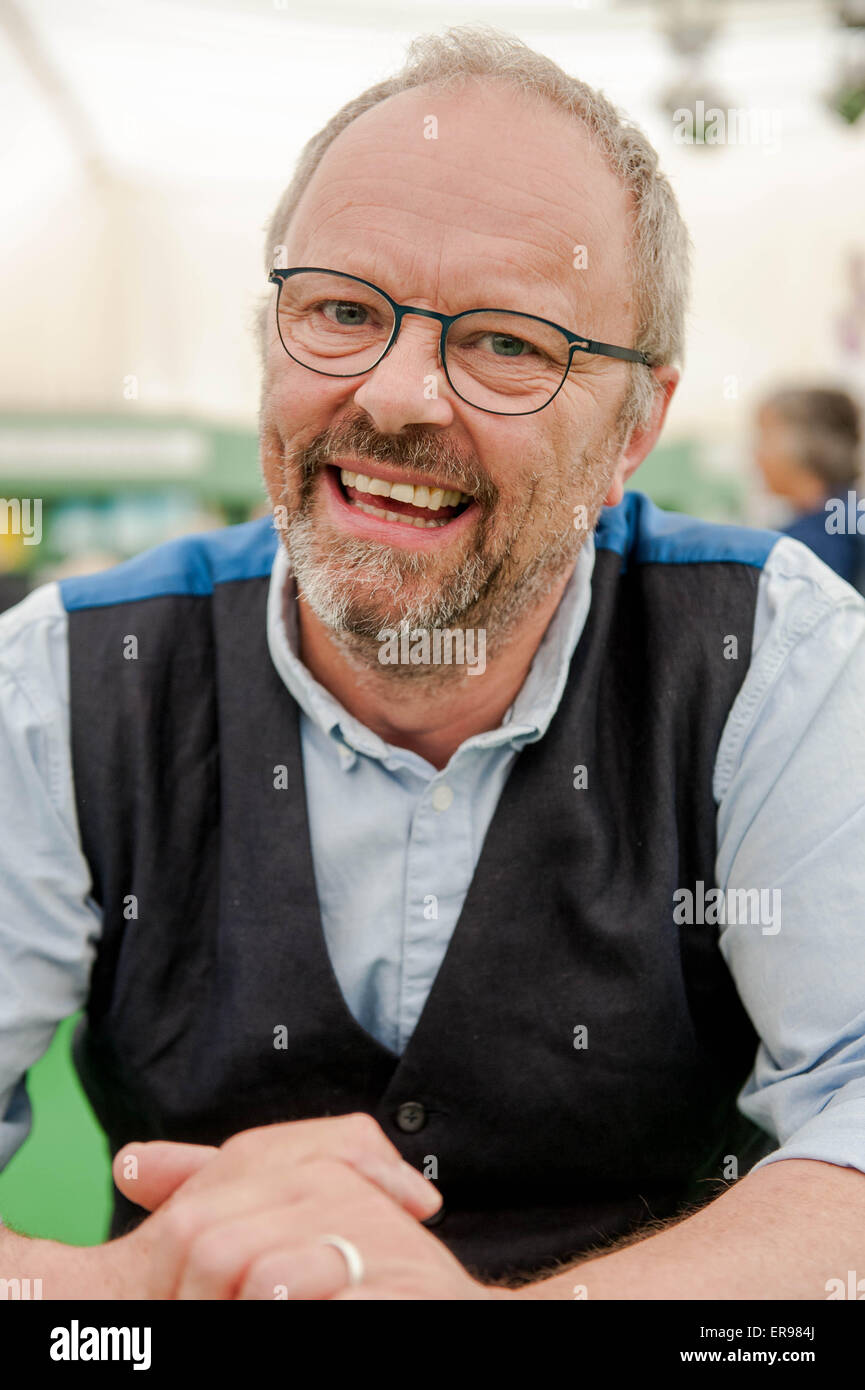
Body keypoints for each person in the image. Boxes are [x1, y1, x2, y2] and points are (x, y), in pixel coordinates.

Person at [1, 26, 864, 1302]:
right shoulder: (65, 678)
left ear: (637, 429)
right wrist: (114, 1309)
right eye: (342, 309)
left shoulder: (774, 659)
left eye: (508, 342)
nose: (400, 395)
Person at [754, 385, 865, 593]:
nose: (756, 455)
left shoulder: (813, 543)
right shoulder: (848, 517)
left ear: (805, 445)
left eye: (766, 437)